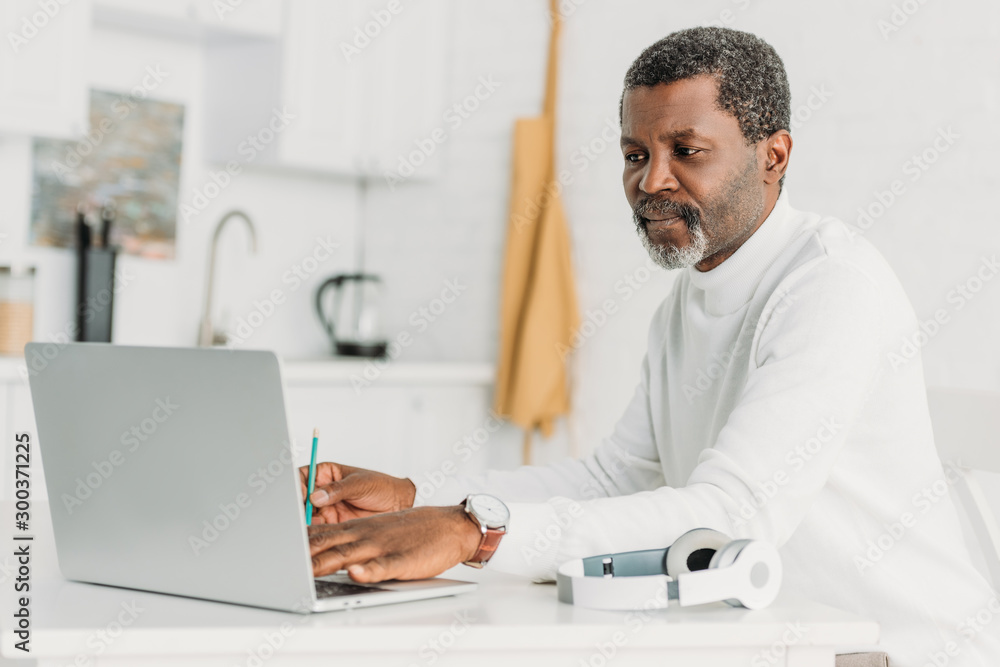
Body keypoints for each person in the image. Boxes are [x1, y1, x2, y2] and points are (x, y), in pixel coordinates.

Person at [301, 27, 1000, 667]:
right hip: (792, 643)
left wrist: (473, 531)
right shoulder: (684, 304)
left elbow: (734, 515)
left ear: (774, 156)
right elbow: (618, 478)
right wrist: (418, 497)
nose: (650, 182)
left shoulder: (832, 288)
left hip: (907, 652)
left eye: (685, 152)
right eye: (636, 155)